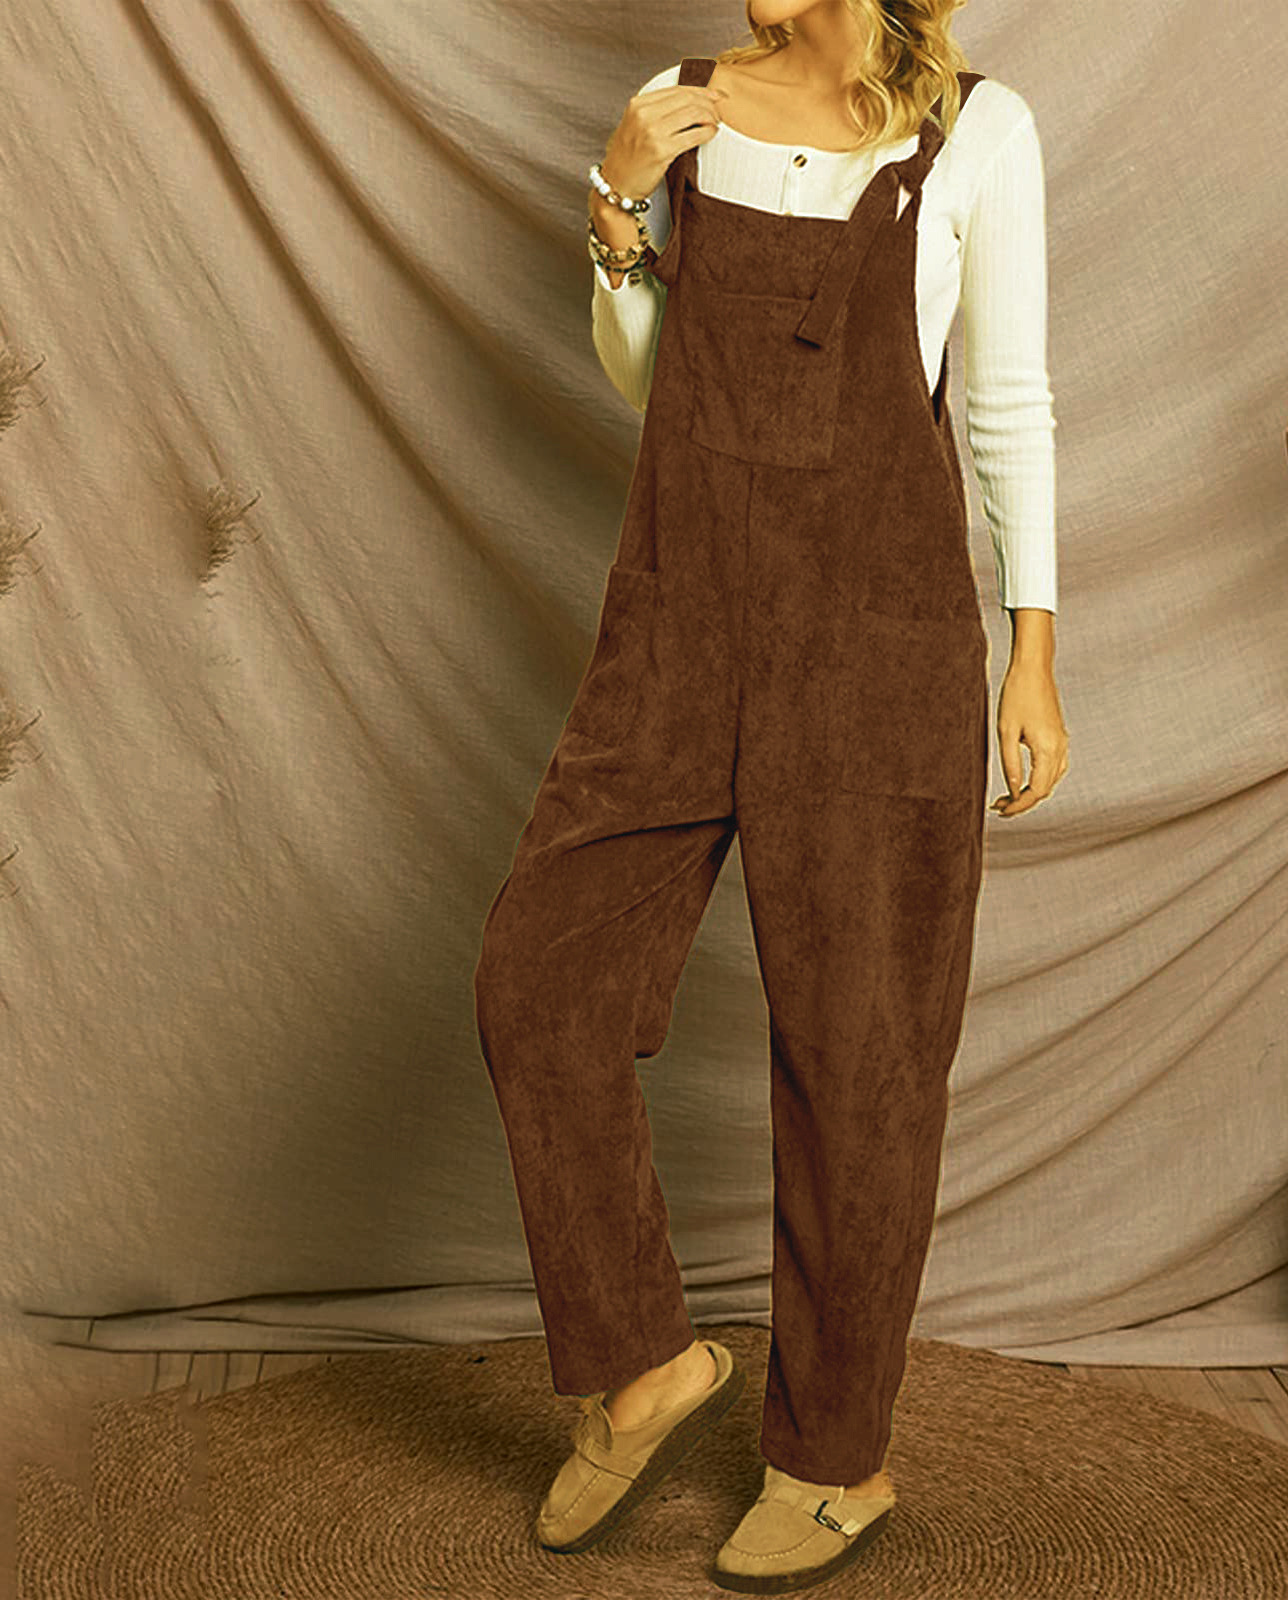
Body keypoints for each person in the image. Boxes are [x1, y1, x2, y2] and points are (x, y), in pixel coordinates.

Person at [474, 0, 1069, 1590]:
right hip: (678, 626)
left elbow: (1005, 399)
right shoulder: (677, 111)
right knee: (537, 978)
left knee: (859, 1060)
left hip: (879, 650)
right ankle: (641, 1364)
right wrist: (616, 208)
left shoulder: (976, 137)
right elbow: (651, 381)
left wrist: (1032, 650)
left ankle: (834, 1460)